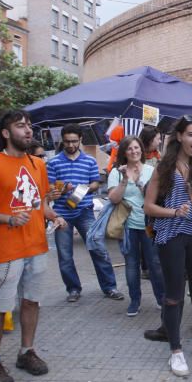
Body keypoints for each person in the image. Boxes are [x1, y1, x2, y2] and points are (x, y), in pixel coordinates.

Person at [0, 110, 67, 382]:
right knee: (0, 307)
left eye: (29, 126)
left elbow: (40, 205)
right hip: (5, 249)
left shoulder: (38, 164)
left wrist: (54, 216)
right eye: (20, 126)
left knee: (32, 301)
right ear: (5, 133)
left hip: (36, 245)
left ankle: (26, 352)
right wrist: (8, 219)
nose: (27, 131)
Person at [144, 115, 192, 377]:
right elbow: (148, 206)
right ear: (180, 137)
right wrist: (174, 212)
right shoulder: (165, 167)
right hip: (171, 235)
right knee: (173, 295)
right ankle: (175, 350)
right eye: (191, 134)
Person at [47, 123, 122, 303]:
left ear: (80, 140)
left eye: (74, 141)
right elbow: (49, 187)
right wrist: (61, 189)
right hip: (61, 213)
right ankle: (73, 289)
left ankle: (110, 287)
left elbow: (96, 182)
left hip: (85, 211)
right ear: (62, 141)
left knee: (98, 249)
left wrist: (85, 189)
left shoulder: (89, 161)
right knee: (65, 255)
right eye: (67, 142)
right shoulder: (53, 162)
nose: (71, 145)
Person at [108, 135, 165, 317]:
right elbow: (113, 198)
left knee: (154, 263)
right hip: (128, 225)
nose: (134, 151)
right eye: (129, 149)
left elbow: (156, 197)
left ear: (141, 149)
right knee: (131, 265)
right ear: (124, 152)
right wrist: (125, 179)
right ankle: (134, 301)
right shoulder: (116, 172)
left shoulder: (152, 170)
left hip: (149, 224)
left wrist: (139, 182)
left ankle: (161, 298)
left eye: (136, 148)